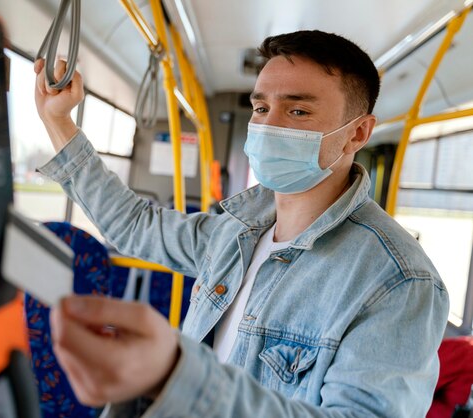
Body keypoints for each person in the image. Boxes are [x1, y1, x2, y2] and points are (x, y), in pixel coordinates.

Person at [33, 30, 448, 417]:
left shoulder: (399, 283)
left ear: (357, 133)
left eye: (298, 110)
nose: (267, 125)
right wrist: (58, 121)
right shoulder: (234, 232)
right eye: (262, 107)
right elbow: (135, 225)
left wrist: (178, 374)